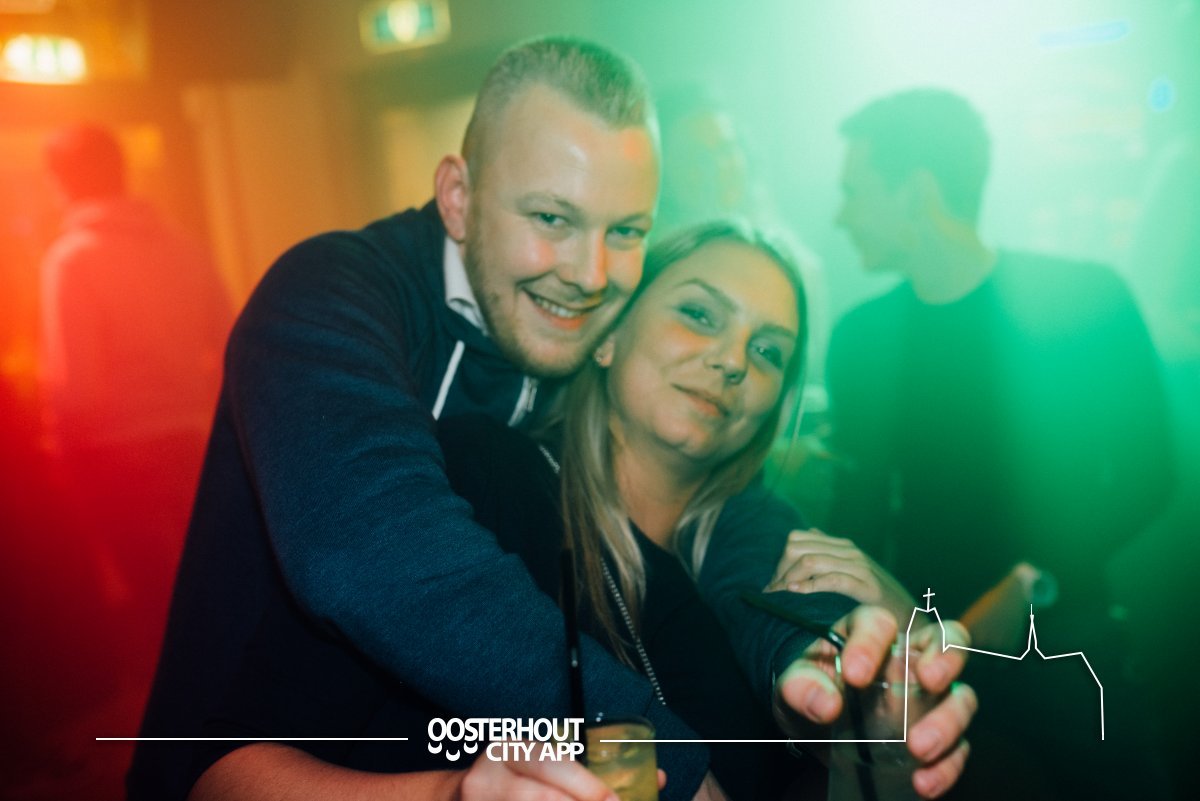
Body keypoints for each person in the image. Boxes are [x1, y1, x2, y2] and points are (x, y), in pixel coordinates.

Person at [130, 38, 969, 801]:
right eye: (552, 219)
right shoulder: (335, 295)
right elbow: (371, 549)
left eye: (626, 230)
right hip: (225, 755)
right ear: (458, 197)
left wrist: (836, 644)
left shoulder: (560, 339)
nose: (590, 273)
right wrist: (662, 761)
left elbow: (716, 511)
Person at [817, 88, 1174, 800]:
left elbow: (1150, 474)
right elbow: (858, 518)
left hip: (1061, 636)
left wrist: (1030, 582)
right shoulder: (860, 339)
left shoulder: (1082, 299)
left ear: (916, 191)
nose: (841, 215)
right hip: (924, 650)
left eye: (854, 191)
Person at [36, 124, 232, 728]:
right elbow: (230, 341)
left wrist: (57, 446)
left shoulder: (72, 259)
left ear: (61, 180)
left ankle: (186, 744)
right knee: (206, 588)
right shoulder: (182, 247)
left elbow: (77, 384)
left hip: (113, 452)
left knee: (153, 610)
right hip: (190, 439)